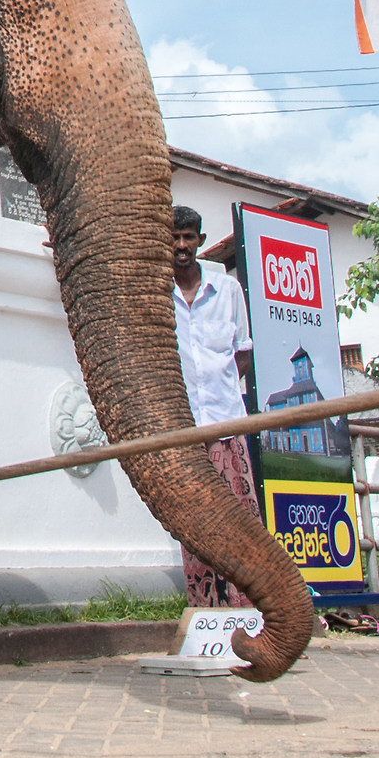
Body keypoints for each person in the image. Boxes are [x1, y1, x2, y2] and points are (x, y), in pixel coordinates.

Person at [171, 204, 260, 608]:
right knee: (194, 524)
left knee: (239, 521)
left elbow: (242, 355)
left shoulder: (227, 290)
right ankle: (206, 610)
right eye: (174, 237)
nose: (181, 245)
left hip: (225, 426)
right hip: (185, 433)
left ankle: (249, 609)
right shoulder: (157, 294)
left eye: (189, 237)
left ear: (201, 241)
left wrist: (220, 389)